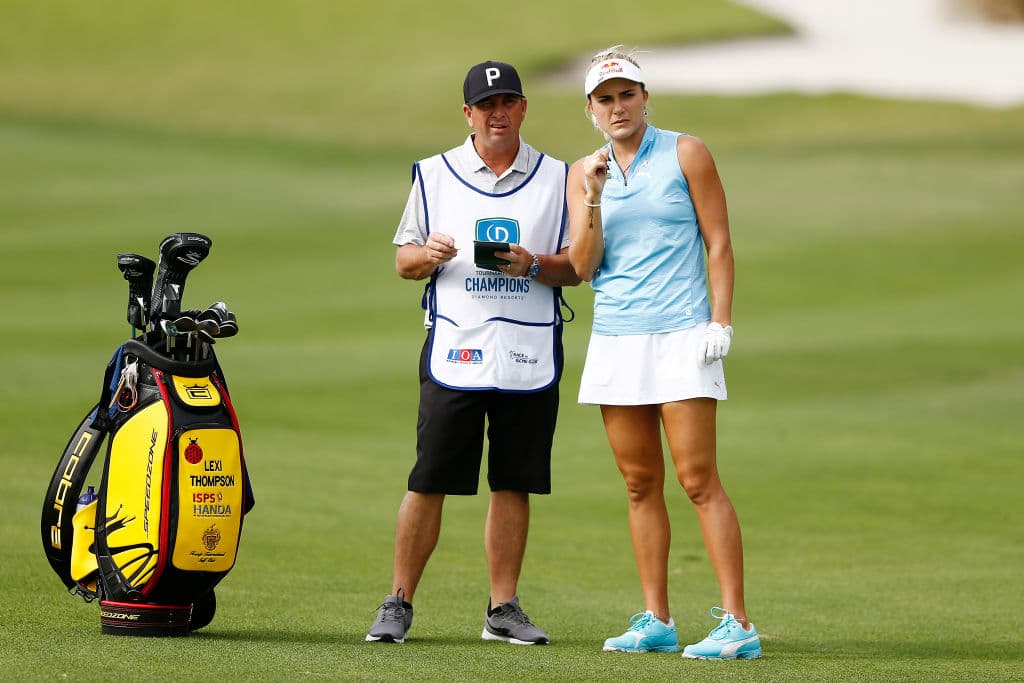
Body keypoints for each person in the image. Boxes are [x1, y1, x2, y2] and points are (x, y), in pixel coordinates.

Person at [365, 60, 580, 646]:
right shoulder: (435, 175)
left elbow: (576, 267)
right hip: (456, 346)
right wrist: (429, 255)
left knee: (514, 481)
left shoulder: (559, 176)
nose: (499, 113)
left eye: (509, 102)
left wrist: (532, 264)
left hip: (527, 351)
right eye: (487, 105)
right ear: (468, 114)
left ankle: (502, 609)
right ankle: (398, 600)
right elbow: (404, 261)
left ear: (524, 108)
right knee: (430, 476)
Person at [566, 47, 761, 660]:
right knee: (638, 482)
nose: (618, 107)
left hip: (682, 334)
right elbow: (582, 265)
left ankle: (738, 624)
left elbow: (719, 241)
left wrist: (720, 321)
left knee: (699, 479)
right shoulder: (583, 171)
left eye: (627, 94)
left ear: (645, 97)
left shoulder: (686, 152)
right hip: (617, 337)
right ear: (591, 109)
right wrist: (593, 195)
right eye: (605, 98)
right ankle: (657, 618)